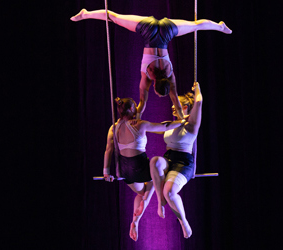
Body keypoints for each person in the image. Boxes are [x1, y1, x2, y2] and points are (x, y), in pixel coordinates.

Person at [71, 9, 230, 119]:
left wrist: (182, 117)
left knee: (196, 25)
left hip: (167, 30)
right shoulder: (147, 76)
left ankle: (219, 26)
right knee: (115, 17)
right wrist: (137, 118)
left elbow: (176, 102)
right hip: (147, 30)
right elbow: (142, 103)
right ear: (154, 86)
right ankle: (85, 15)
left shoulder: (170, 78)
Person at [103, 97, 187, 241]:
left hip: (125, 172)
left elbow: (108, 150)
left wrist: (106, 172)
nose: (137, 110)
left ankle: (135, 220)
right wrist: (182, 122)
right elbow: (165, 127)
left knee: (141, 194)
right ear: (130, 109)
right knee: (158, 176)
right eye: (135, 107)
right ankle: (155, 203)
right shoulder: (139, 125)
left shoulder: (113, 128)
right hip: (140, 167)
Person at [149, 82, 202, 239]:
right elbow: (151, 127)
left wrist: (197, 88)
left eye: (179, 106)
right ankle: (160, 203)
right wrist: (135, 123)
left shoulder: (192, 125)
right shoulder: (172, 124)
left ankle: (183, 222)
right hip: (169, 158)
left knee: (170, 192)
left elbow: (198, 102)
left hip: (183, 162)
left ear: (187, 108)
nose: (173, 108)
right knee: (155, 162)